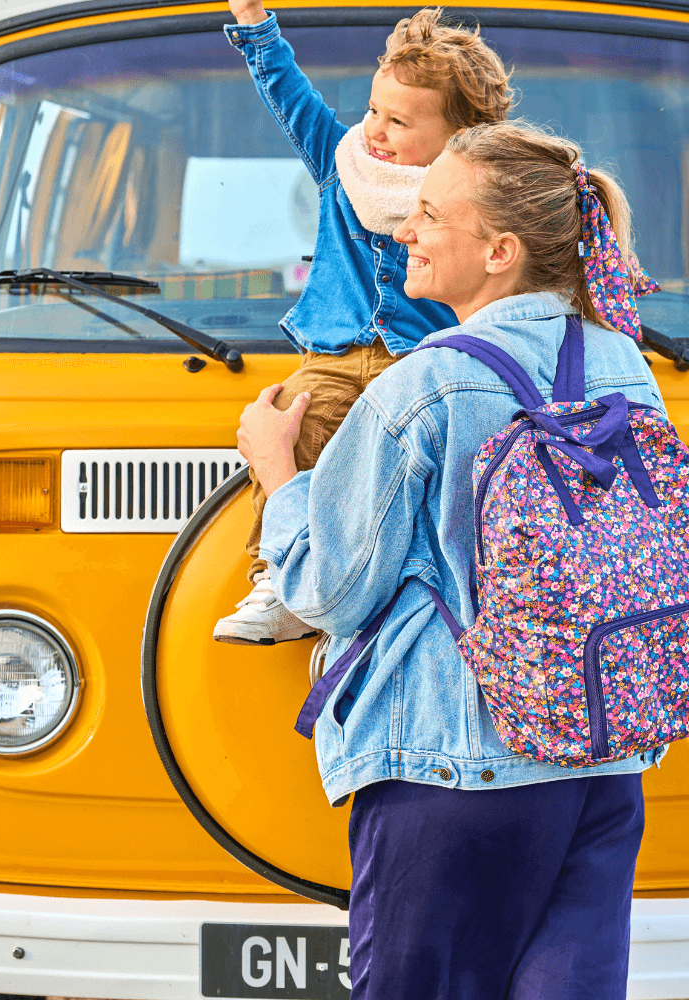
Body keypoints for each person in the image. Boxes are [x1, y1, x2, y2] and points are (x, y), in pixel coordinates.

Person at [238, 120, 665, 999]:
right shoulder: (626, 365)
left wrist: (277, 471)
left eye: (430, 216)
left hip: (452, 772)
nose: (404, 233)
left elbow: (332, 590)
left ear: (500, 250)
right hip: (603, 767)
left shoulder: (425, 384)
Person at [213, 0, 512, 645]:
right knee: (291, 425)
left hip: (422, 358)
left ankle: (425, 588)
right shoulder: (341, 163)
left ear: (457, 140)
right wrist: (256, 26)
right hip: (334, 353)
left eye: (399, 121)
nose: (375, 128)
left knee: (422, 473)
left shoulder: (469, 195)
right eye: (374, 109)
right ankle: (281, 576)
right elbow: (288, 94)